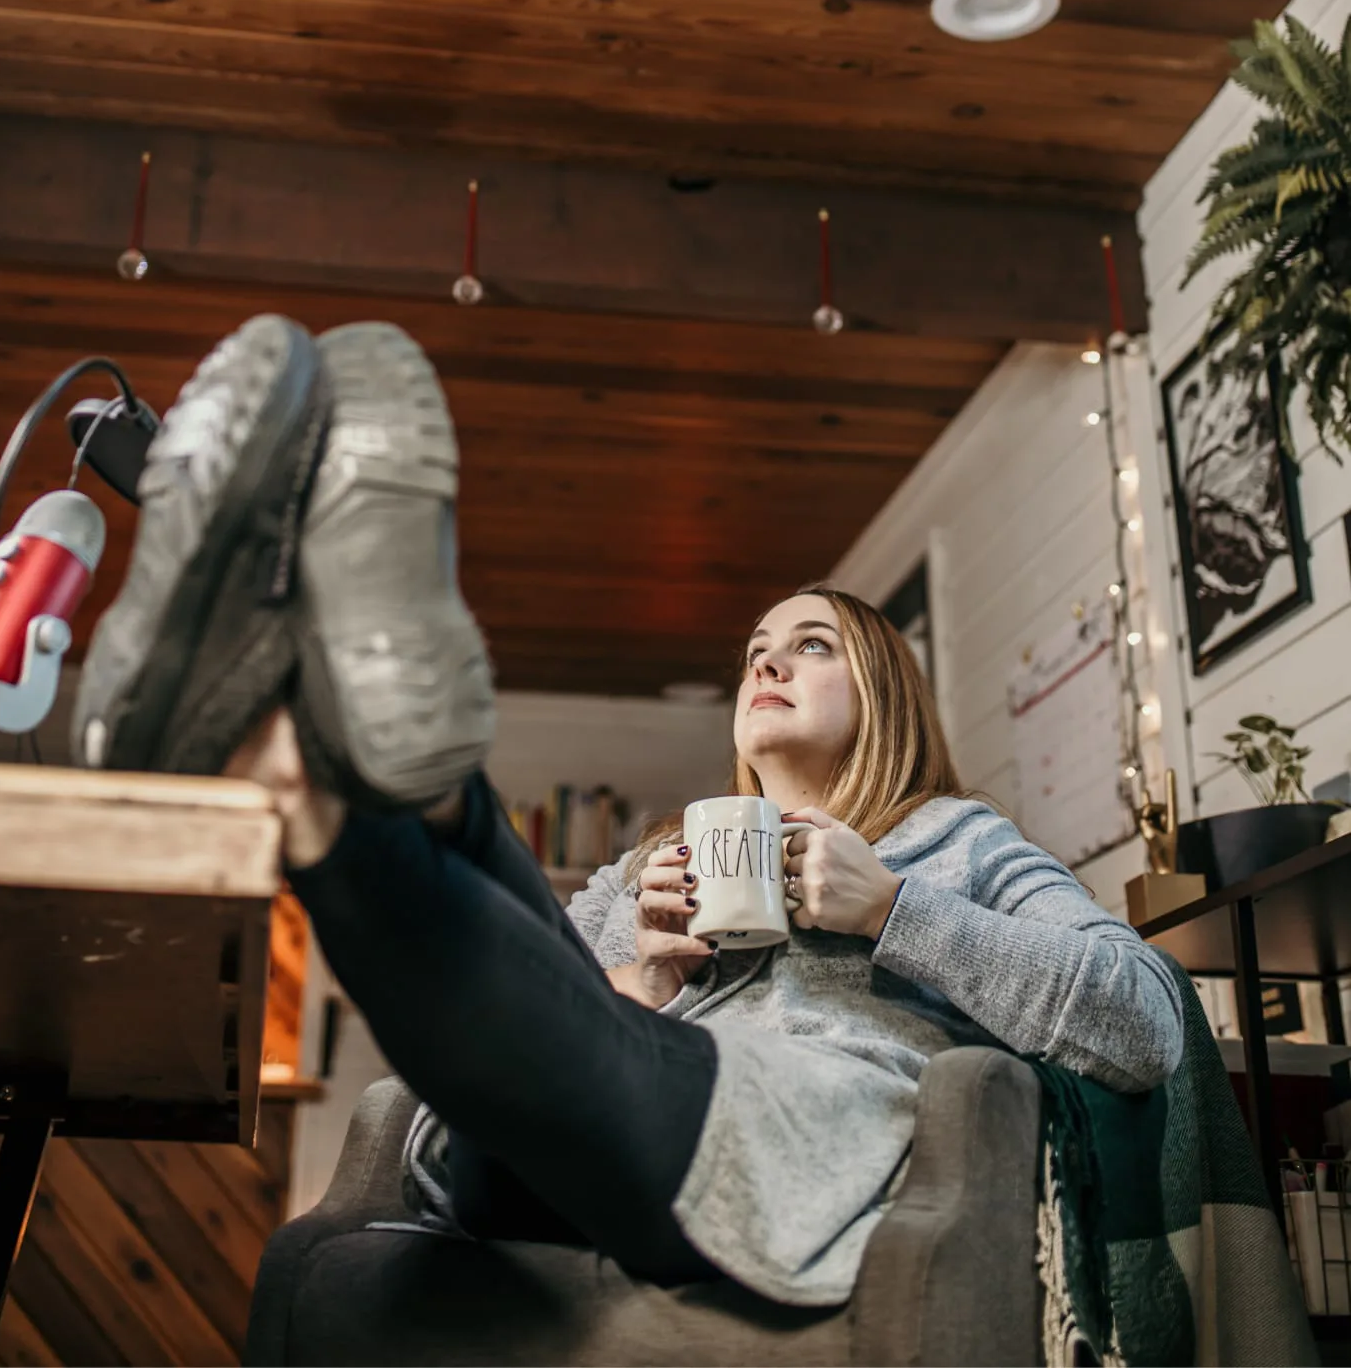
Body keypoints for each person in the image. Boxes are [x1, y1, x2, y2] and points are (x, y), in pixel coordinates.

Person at [75, 314, 1184, 1312]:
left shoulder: (958, 842)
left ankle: (292, 718)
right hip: (550, 1137)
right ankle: (347, 711)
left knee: (532, 1025)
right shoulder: (661, 862)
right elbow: (550, 987)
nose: (770, 664)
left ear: (886, 689)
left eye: (811, 646)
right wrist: (644, 962)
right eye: (756, 650)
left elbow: (1143, 1020)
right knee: (516, 914)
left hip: (767, 1150)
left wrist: (896, 908)